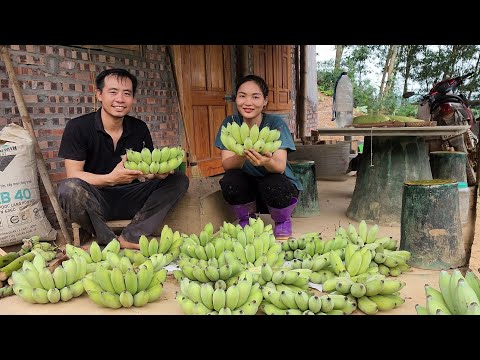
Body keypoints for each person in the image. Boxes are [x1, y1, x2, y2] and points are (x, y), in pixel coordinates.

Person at [57, 68, 189, 249]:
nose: (120, 99)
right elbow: (73, 174)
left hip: (132, 196)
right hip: (96, 199)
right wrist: (111, 179)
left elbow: (146, 173)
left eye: (127, 93)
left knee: (179, 180)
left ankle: (132, 235)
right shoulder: (78, 127)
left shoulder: (139, 128)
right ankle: (105, 238)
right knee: (68, 188)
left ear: (133, 99)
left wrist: (157, 175)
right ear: (99, 95)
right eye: (113, 92)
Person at [213, 74, 302, 239]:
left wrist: (267, 161)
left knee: (273, 181)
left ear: (265, 101)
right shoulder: (230, 123)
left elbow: (280, 166)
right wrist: (242, 155)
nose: (248, 102)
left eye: (255, 97)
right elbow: (227, 164)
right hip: (249, 193)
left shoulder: (275, 124)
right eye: (242, 96)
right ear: (236, 98)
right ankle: (246, 218)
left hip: (277, 190)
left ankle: (282, 220)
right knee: (230, 180)